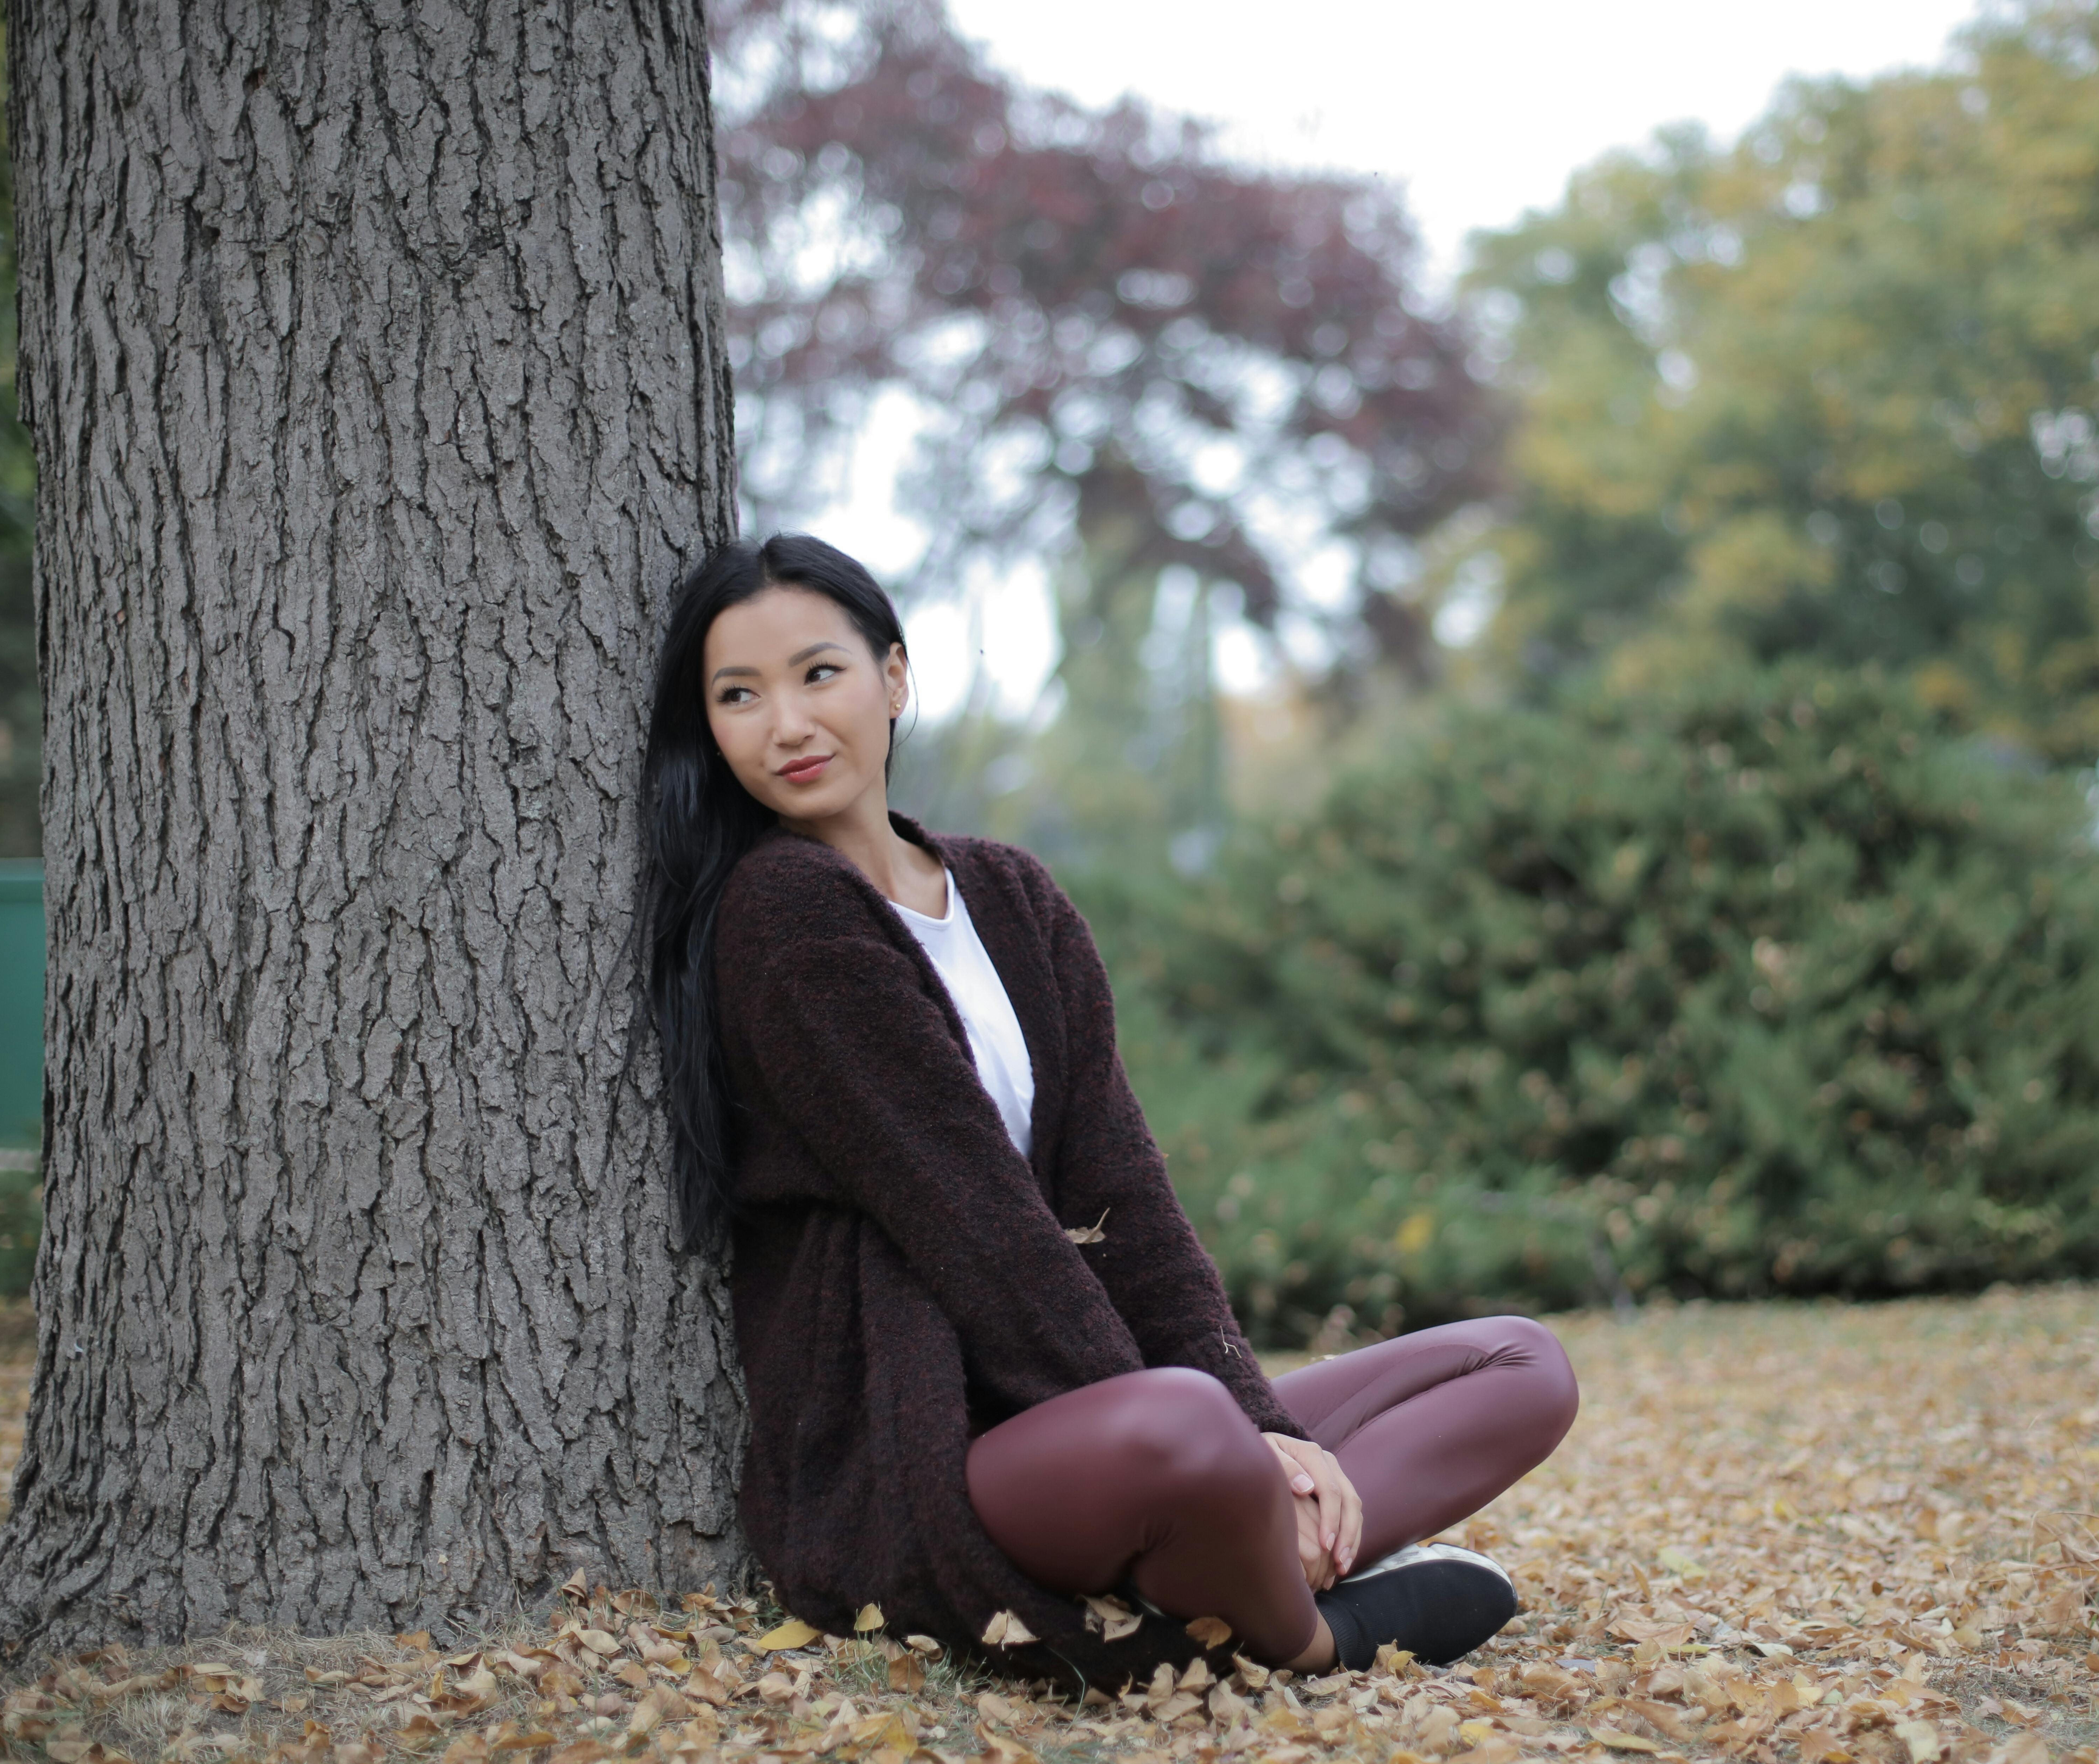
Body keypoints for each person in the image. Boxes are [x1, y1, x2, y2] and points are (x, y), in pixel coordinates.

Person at [633, 533, 1578, 1686]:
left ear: (894, 677)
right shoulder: (786, 918)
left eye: (817, 674)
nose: (786, 723)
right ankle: (1312, 1635)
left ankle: (1233, 1556)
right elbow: (977, 1221)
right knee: (1179, 1431)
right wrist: (1216, 1428)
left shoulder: (1014, 898)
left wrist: (1266, 1430)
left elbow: (1124, 1197)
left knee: (1519, 1364)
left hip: (1101, 1401)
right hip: (931, 1442)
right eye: (739, 696)